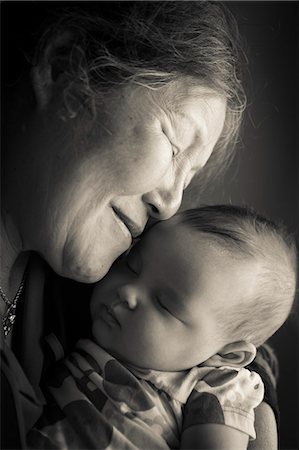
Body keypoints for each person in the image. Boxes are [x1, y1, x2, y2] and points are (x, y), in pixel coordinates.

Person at [0, 2, 276, 449]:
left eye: (190, 178)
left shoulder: (97, 265)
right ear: (64, 65)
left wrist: (249, 412)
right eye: (173, 147)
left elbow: (232, 319)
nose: (170, 205)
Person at [27, 205, 297, 450]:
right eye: (132, 266)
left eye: (164, 304)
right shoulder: (79, 314)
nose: (127, 292)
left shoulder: (218, 386)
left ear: (226, 356)